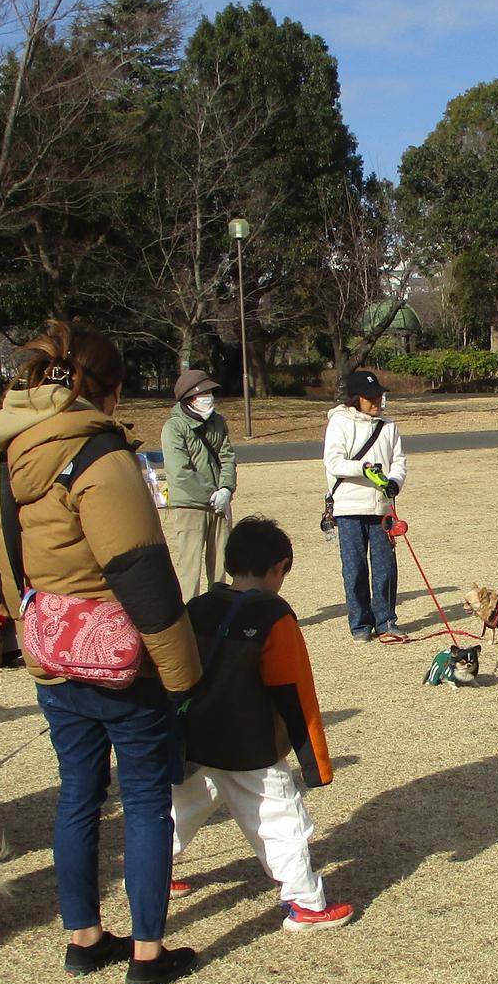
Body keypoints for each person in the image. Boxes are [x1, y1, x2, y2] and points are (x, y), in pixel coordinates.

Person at [0, 319, 204, 984]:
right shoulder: (99, 457)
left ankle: (83, 937)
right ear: (111, 389)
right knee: (143, 801)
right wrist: (182, 674)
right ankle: (148, 951)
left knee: (77, 794)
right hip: (119, 661)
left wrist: (26, 631)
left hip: (51, 651)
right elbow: (142, 574)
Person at [171, 517, 354, 930]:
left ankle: (152, 873)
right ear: (279, 567)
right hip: (250, 746)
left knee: (180, 809)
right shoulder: (275, 615)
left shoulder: (198, 606)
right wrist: (315, 764)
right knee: (280, 820)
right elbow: (296, 692)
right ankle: (307, 903)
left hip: (194, 739)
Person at [322, 368, 406, 641]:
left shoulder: (389, 426)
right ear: (355, 398)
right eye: (371, 397)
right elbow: (333, 463)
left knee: (385, 567)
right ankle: (360, 625)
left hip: (381, 506)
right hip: (348, 508)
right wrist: (364, 467)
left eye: (379, 395)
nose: (377, 401)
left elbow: (399, 462)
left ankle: (386, 621)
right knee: (354, 568)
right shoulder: (339, 423)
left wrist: (394, 481)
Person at [161, 367, 237, 601]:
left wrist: (226, 489)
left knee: (221, 566)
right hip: (189, 505)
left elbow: (227, 457)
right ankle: (190, 619)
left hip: (220, 502)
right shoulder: (173, 427)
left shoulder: (218, 422)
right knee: (189, 567)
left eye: (210, 393)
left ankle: (220, 613)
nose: (209, 398)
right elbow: (179, 472)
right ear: (189, 398)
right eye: (203, 394)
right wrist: (211, 494)